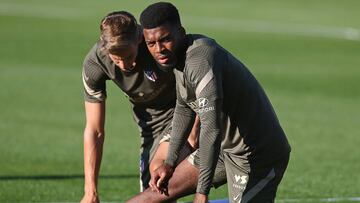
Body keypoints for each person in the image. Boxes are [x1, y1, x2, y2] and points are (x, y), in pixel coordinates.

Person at [140, 2, 291, 203]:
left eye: (165, 39)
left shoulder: (200, 60)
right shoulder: (177, 59)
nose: (159, 49)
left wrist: (202, 193)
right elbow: (184, 109)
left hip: (256, 155)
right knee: (151, 197)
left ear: (181, 32)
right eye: (151, 44)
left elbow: (211, 128)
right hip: (222, 150)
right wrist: (169, 162)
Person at [80, 11, 199, 203]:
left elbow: (199, 87)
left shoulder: (158, 45)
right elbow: (94, 130)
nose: (126, 64)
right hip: (149, 123)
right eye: (116, 59)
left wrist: (193, 133)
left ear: (139, 37)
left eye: (128, 56)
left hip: (185, 110)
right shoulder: (95, 64)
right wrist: (90, 192)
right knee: (152, 191)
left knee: (158, 173)